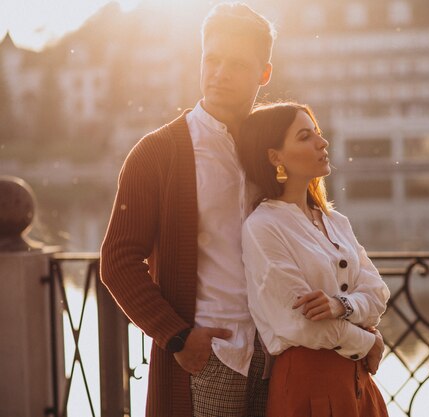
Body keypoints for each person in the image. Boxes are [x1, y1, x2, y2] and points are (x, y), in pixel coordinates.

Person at [100, 3, 275, 416]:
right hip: (210, 357)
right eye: (211, 59)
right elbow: (118, 260)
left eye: (236, 63)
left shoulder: (271, 151)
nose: (219, 73)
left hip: (276, 356)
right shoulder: (158, 153)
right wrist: (176, 337)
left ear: (264, 74)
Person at [237, 102, 391, 417]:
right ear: (274, 157)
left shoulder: (336, 221)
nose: (322, 143)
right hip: (310, 386)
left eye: (317, 133)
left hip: (359, 384)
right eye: (305, 136)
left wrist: (341, 306)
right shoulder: (263, 226)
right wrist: (368, 343)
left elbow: (378, 295)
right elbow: (299, 326)